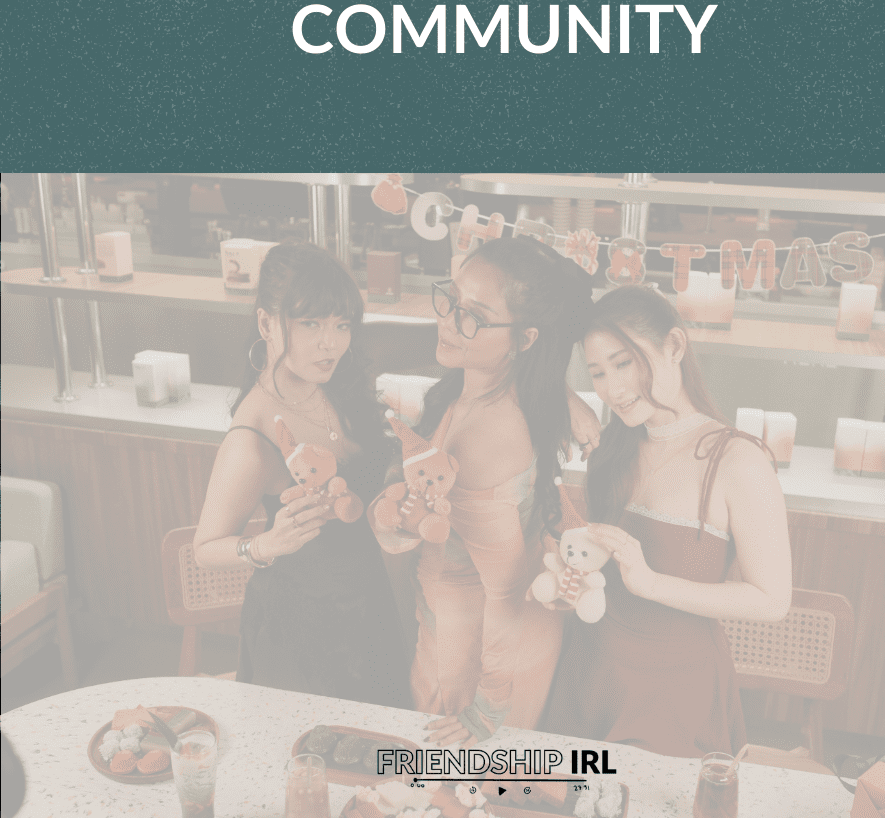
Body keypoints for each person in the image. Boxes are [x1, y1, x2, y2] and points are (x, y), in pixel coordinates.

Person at [543, 283, 792, 757]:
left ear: (674, 346)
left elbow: (772, 600)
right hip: (588, 673)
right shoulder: (610, 449)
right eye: (596, 373)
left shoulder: (739, 460)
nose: (612, 389)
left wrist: (651, 583)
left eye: (624, 363)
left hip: (674, 694)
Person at [369, 236, 599, 745]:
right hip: (456, 627)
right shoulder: (473, 382)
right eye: (449, 299)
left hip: (480, 658)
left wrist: (487, 709)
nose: (448, 320)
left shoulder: (490, 432)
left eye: (472, 314)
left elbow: (506, 592)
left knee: (459, 794)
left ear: (525, 339)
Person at [193, 241, 409, 705]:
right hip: (299, 632)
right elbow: (205, 549)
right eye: (309, 323)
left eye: (341, 324)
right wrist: (267, 545)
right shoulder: (251, 438)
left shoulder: (339, 381)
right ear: (266, 323)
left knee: (378, 759)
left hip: (367, 605)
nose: (330, 342)